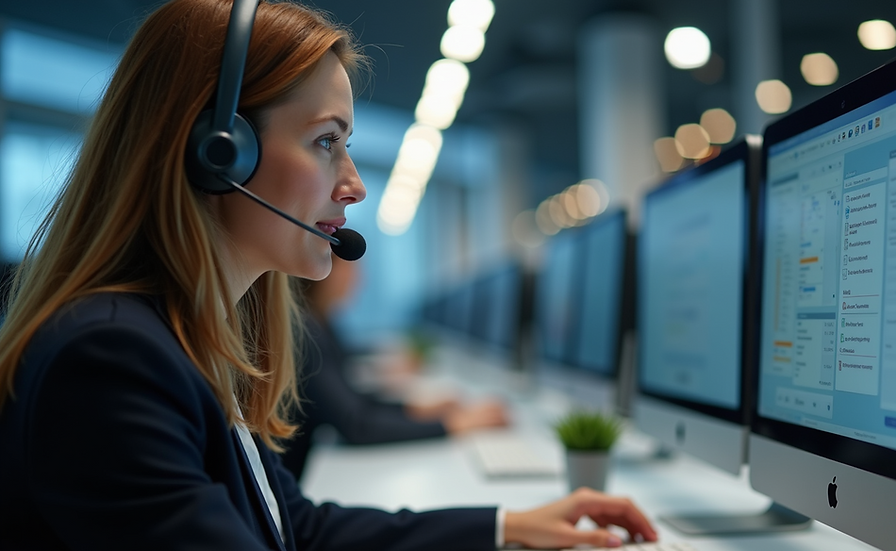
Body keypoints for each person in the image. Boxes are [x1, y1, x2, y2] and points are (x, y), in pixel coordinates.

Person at [0, 0, 658, 549]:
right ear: (218, 154)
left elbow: (297, 528)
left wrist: (506, 527)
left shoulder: (186, 339)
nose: (354, 185)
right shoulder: (112, 359)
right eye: (325, 142)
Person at [281, 259, 509, 479]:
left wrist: (412, 408)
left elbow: (353, 400)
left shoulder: (319, 323)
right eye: (352, 270)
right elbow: (357, 424)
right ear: (325, 269)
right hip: (295, 477)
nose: (360, 279)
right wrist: (451, 425)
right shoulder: (306, 331)